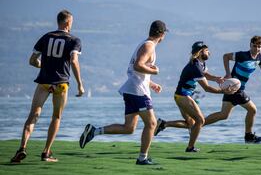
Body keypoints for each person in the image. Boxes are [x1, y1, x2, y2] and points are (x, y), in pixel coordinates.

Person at [79, 20, 167, 165]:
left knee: (129, 128)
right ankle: (142, 158)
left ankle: (94, 131)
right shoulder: (149, 46)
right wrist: (154, 71)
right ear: (162, 34)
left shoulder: (145, 44)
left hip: (133, 88)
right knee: (151, 124)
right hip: (138, 91)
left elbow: (135, 70)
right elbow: (138, 65)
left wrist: (151, 83)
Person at [10, 10, 84, 163]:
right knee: (56, 117)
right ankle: (46, 153)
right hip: (61, 84)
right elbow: (74, 61)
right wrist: (80, 84)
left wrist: (42, 66)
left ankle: (22, 148)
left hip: (44, 82)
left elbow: (32, 61)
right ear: (68, 23)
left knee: (33, 114)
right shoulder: (74, 40)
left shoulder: (45, 37)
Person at [154, 41, 235, 152]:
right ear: (200, 52)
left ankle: (164, 124)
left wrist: (216, 78)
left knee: (190, 123)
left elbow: (205, 74)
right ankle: (190, 147)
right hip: (183, 96)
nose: (209, 53)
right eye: (206, 50)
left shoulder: (200, 64)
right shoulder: (195, 66)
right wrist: (224, 91)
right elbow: (206, 88)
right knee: (200, 121)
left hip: (181, 96)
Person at [203, 36, 261, 143]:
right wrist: (228, 73)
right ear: (250, 45)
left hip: (235, 89)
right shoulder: (242, 55)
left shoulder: (260, 58)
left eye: (259, 47)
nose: (256, 49)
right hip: (235, 89)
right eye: (254, 46)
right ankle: (248, 136)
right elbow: (226, 56)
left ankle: (198, 124)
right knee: (252, 110)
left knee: (223, 115)